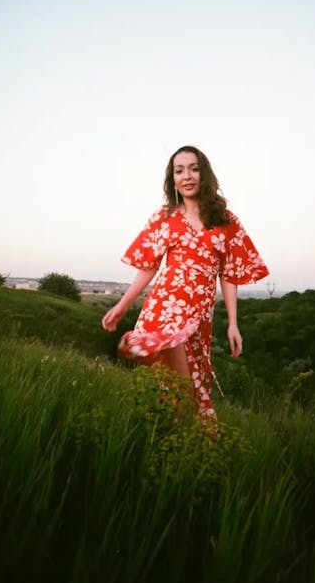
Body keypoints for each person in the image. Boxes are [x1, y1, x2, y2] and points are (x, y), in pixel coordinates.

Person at [102, 145, 269, 421]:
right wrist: (122, 305)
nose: (187, 176)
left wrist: (234, 323)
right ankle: (181, 430)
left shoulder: (225, 220)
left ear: (204, 173)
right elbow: (148, 268)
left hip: (200, 313)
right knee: (179, 383)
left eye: (193, 168)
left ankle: (177, 433)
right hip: (166, 306)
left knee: (187, 383)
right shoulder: (165, 216)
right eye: (179, 171)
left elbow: (228, 275)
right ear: (173, 179)